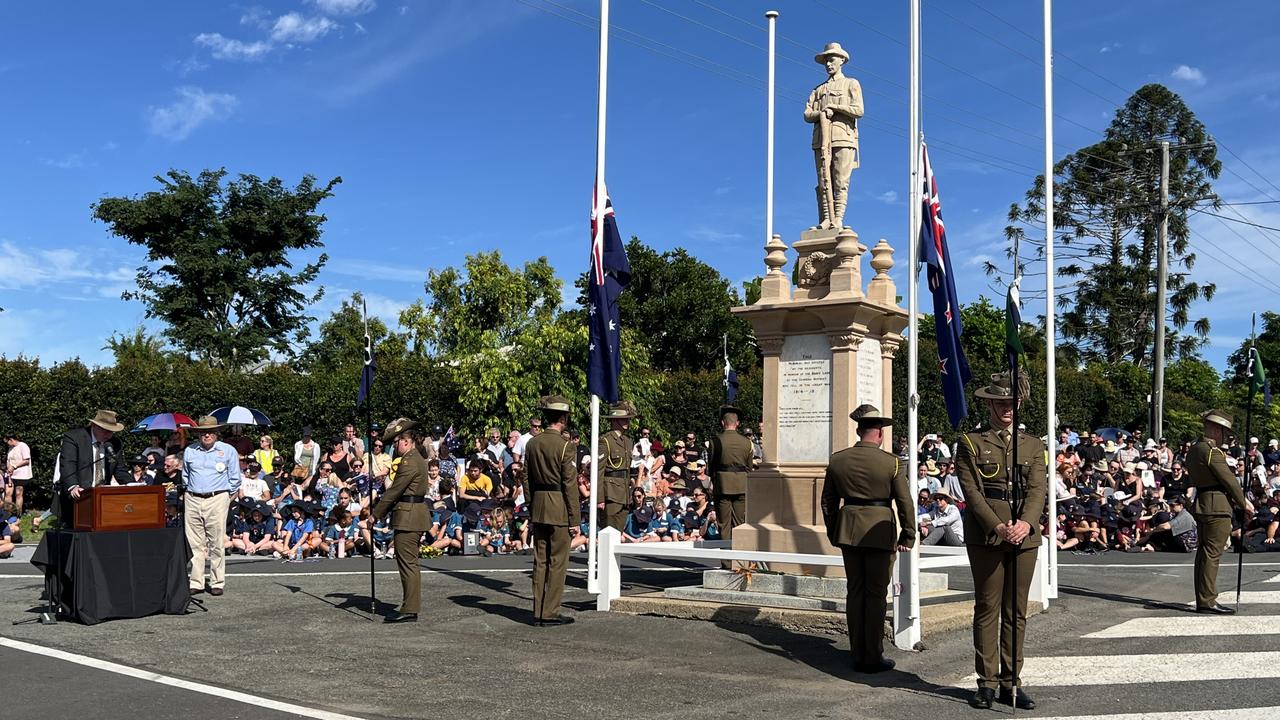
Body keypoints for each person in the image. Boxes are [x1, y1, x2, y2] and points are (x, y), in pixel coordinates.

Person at [956, 371, 1047, 710]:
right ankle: (986, 682)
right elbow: (972, 492)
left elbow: (1038, 489)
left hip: (1024, 535)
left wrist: (1025, 523)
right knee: (987, 608)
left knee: (1016, 611)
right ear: (990, 403)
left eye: (1011, 402)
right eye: (999, 402)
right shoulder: (970, 442)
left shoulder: (1033, 444)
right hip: (986, 535)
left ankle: (1012, 682)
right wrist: (997, 526)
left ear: (1019, 403)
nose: (1006, 408)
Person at [820, 404, 914, 673]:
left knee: (855, 591)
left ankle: (856, 652)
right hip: (879, 530)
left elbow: (828, 501)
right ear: (880, 434)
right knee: (875, 594)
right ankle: (871, 656)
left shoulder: (838, 459)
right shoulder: (892, 462)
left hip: (848, 529)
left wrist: (834, 530)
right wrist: (908, 534)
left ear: (859, 430)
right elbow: (904, 502)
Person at [1187, 410, 1254, 614]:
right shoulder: (1211, 451)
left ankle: (1203, 598)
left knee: (1204, 553)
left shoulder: (1194, 449)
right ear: (1217, 429)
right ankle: (1208, 600)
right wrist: (1245, 503)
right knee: (1212, 554)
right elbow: (1229, 480)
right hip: (1217, 506)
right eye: (1225, 432)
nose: (1226, 436)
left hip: (1203, 504)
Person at [522, 395, 579, 626]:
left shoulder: (532, 443)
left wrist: (531, 504)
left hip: (539, 505)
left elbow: (526, 478)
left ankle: (538, 610)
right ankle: (550, 611)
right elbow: (569, 484)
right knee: (557, 562)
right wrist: (575, 518)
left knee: (540, 560)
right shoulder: (566, 446)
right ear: (563, 418)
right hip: (559, 507)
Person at [371, 418, 431, 623]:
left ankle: (410, 607)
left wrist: (374, 515)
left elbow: (393, 492)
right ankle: (409, 605)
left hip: (409, 516)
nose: (395, 446)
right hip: (412, 514)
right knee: (409, 562)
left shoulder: (409, 461)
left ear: (406, 441)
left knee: (407, 564)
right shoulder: (417, 458)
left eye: (397, 442)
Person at [803, 41, 863, 230]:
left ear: (842, 60)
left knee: (840, 181)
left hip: (843, 137)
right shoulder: (818, 90)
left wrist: (835, 108)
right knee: (823, 181)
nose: (828, 64)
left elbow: (859, 110)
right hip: (821, 140)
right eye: (826, 61)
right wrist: (820, 114)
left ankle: (838, 218)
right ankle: (825, 218)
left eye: (832, 60)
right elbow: (807, 114)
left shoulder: (851, 83)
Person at [182, 416, 243, 596]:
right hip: (193, 497)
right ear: (198, 434)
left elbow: (235, 479)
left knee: (216, 542)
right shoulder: (190, 451)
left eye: (210, 432)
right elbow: (185, 476)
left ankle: (217, 581)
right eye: (202, 432)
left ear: (217, 433)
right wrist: (189, 493)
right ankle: (196, 581)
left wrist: (224, 498)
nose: (206, 435)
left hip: (217, 497)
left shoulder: (228, 450)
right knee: (195, 543)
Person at [710, 404, 754, 548]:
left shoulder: (715, 441)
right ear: (738, 424)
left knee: (724, 524)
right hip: (741, 485)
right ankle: (739, 560)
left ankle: (727, 561)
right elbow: (749, 466)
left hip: (722, 485)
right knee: (739, 523)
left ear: (723, 422)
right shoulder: (747, 443)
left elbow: (711, 465)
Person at [598, 401, 637, 533]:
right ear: (615, 419)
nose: (627, 422)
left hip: (624, 493)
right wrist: (599, 498)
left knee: (618, 533)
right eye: (623, 419)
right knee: (609, 532)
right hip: (610, 493)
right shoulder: (606, 441)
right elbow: (599, 471)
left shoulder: (627, 441)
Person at [5, 433, 33, 515]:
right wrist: (9, 468)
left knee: (18, 493)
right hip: (11, 475)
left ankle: (18, 514)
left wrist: (14, 466)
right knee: (8, 493)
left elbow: (26, 460)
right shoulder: (10, 448)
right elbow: (8, 460)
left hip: (21, 475)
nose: (7, 443)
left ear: (11, 439)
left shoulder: (23, 446)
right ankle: (7, 514)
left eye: (7, 441)